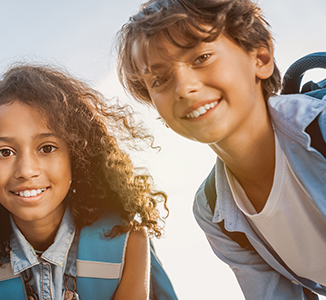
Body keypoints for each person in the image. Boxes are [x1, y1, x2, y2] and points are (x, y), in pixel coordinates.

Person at [116, 0, 326, 299]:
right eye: (160, 80)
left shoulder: (321, 127)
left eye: (201, 57)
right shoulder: (212, 210)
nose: (183, 87)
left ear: (261, 57)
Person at [0, 64, 167, 299]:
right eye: (5, 152)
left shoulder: (128, 242)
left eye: (47, 148)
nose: (26, 170)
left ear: (77, 155)